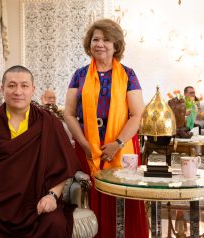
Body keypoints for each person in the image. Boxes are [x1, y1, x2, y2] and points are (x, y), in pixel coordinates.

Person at [0, 65, 80, 238]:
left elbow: (62, 167)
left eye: (24, 85)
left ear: (33, 89)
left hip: (35, 204)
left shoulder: (49, 123)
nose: (18, 91)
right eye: (12, 85)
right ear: (2, 89)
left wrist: (52, 196)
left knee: (55, 224)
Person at [64, 19, 148, 238]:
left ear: (116, 45)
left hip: (122, 147)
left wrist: (117, 143)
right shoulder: (80, 75)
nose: (100, 44)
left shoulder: (128, 75)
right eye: (95, 39)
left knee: (122, 199)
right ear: (89, 44)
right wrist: (83, 144)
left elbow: (137, 114)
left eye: (106, 39)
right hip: (86, 146)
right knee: (88, 197)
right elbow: (69, 113)